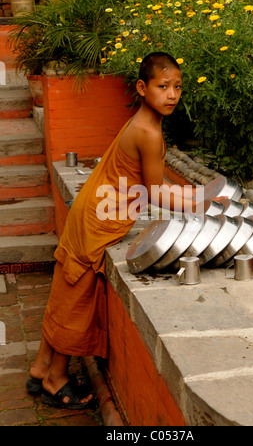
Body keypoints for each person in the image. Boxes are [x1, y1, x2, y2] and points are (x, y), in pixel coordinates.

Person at [26, 52, 203, 409]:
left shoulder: (141, 121)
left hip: (90, 209)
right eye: (163, 86)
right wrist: (206, 203)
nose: (172, 95)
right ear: (143, 87)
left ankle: (41, 365)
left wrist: (200, 193)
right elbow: (156, 193)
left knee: (64, 289)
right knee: (77, 299)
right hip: (99, 221)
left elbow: (152, 181)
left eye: (178, 87)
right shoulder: (148, 132)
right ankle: (55, 377)